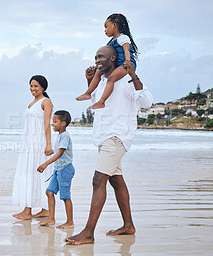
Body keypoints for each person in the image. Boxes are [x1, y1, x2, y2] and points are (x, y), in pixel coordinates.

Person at [66, 46, 153, 245]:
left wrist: (134, 74)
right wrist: (89, 81)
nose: (97, 60)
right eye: (95, 56)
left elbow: (147, 102)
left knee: (98, 180)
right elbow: (98, 102)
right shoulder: (104, 82)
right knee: (116, 180)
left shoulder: (125, 80)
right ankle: (128, 225)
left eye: (101, 57)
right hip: (104, 137)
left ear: (113, 58)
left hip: (118, 136)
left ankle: (88, 232)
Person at [12, 75, 54, 220]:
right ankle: (44, 209)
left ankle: (28, 210)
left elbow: (47, 123)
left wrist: (48, 144)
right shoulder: (32, 103)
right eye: (31, 86)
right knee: (29, 173)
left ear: (43, 87)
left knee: (35, 174)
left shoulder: (46, 101)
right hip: (28, 143)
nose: (32, 88)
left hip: (38, 143)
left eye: (36, 86)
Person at [76, 13, 138, 109]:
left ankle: (102, 101)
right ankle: (88, 93)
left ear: (114, 25)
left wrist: (127, 62)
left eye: (106, 27)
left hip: (125, 64)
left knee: (111, 78)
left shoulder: (123, 38)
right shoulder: (110, 42)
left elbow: (126, 50)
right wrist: (97, 67)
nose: (105, 30)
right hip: (117, 64)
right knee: (98, 73)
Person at [37, 110, 75, 229]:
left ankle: (70, 222)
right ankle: (51, 219)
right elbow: (59, 152)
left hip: (65, 170)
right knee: (49, 192)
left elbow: (60, 153)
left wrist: (46, 163)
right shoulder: (60, 136)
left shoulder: (65, 136)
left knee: (65, 197)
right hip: (58, 169)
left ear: (63, 123)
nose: (52, 124)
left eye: (55, 121)